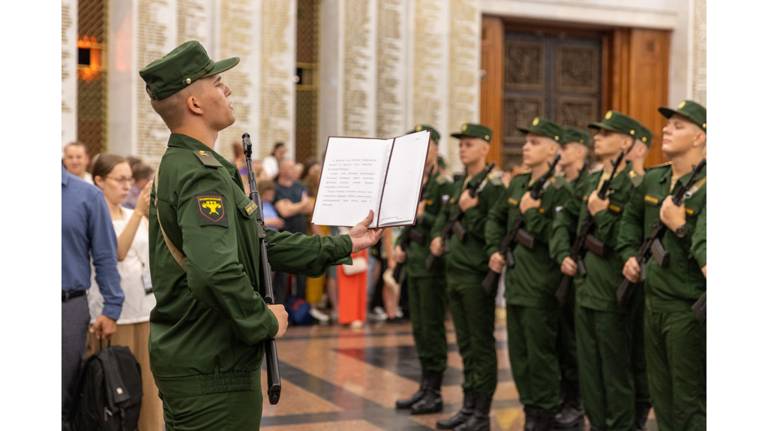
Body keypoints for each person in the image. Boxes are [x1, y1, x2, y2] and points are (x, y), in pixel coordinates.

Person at [139, 40, 382, 429]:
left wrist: (345, 242)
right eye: (217, 83)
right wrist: (262, 320)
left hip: (202, 359)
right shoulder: (199, 173)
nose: (227, 89)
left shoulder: (191, 164)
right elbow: (213, 271)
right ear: (195, 104)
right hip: (212, 366)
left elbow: (259, 243)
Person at [550, 111, 650, 431]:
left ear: (625, 142)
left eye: (606, 134)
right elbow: (572, 227)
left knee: (615, 370)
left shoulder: (635, 185)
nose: (597, 138)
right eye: (597, 133)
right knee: (589, 369)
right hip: (586, 286)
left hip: (612, 289)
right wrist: (564, 254)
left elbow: (626, 240)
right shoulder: (593, 182)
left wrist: (602, 215)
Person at [617, 100, 707, 431]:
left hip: (687, 309)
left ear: (700, 138)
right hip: (653, 302)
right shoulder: (654, 179)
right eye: (667, 124)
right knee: (662, 397)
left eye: (679, 126)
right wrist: (628, 254)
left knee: (690, 402)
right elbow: (629, 221)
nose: (667, 129)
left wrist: (680, 227)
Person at [485, 117, 573, 430]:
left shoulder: (561, 191)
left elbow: (558, 238)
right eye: (526, 141)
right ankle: (530, 409)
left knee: (541, 355)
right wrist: (495, 249)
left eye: (534, 142)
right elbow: (495, 218)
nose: (525, 147)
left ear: (553, 150)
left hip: (541, 285)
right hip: (516, 282)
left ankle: (545, 414)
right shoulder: (519, 183)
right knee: (519, 355)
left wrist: (532, 213)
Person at [431, 123, 505, 431]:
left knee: (480, 344)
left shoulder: (494, 187)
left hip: (477, 274)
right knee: (464, 345)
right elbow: (448, 220)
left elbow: (493, 230)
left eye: (469, 144)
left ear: (485, 147)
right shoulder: (463, 183)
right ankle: (468, 405)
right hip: (456, 271)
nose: (463, 149)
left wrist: (470, 212)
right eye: (461, 145)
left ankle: (481, 412)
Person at [86, 153, 164, 430]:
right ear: (99, 180)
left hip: (144, 308)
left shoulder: (135, 215)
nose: (126, 186)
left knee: (147, 384)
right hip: (111, 314)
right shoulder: (93, 214)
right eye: (119, 179)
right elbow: (117, 251)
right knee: (115, 385)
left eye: (129, 180)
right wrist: (140, 213)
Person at [393, 124, 453, 415]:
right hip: (414, 263)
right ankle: (425, 387)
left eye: (425, 145)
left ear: (435, 149)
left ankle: (436, 390)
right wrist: (401, 244)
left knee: (431, 328)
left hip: (431, 267)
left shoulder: (443, 184)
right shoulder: (417, 181)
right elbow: (406, 220)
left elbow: (443, 221)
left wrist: (422, 215)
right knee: (418, 327)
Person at [62, 165, 124, 430]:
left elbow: (105, 257)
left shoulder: (87, 195)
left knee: (62, 397)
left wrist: (111, 307)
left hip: (67, 308)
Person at [552, 126, 591, 427]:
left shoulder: (588, 185)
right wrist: (562, 253)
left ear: (579, 151)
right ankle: (567, 397)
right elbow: (560, 228)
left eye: (565, 147)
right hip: (560, 273)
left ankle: (577, 401)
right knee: (563, 341)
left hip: (584, 276)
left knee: (578, 343)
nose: (559, 152)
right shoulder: (560, 186)